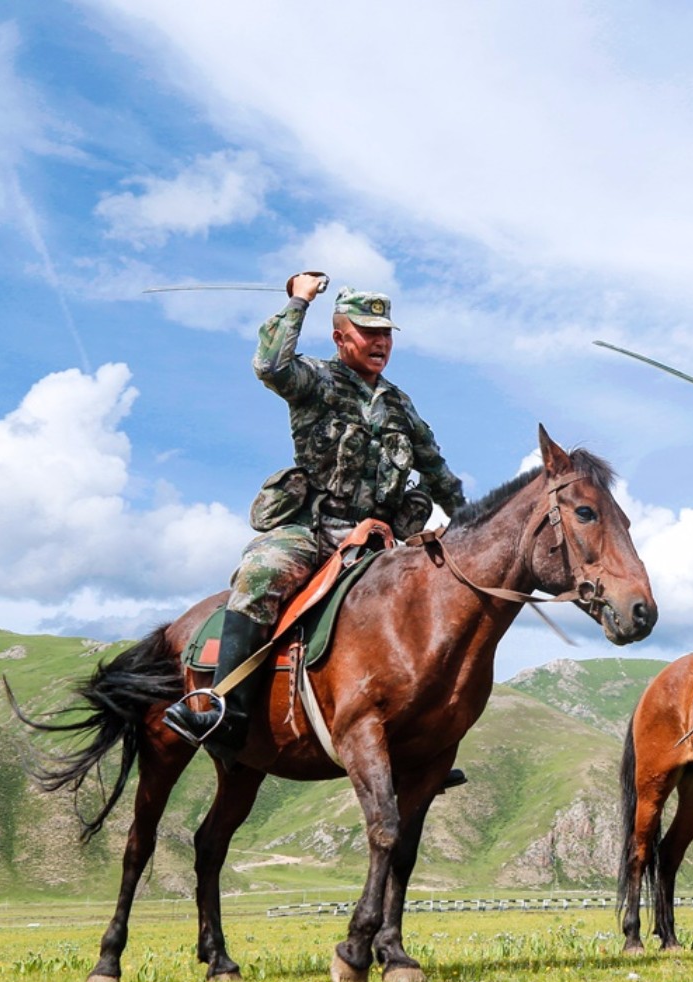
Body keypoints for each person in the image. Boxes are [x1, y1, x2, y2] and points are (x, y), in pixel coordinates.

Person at [165, 276, 467, 762]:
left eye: (386, 333)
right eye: (368, 332)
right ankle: (224, 707)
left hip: (381, 542)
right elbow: (269, 364)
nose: (380, 343)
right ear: (340, 337)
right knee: (261, 573)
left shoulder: (399, 405)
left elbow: (437, 472)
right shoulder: (315, 381)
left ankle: (421, 749)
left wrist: (470, 530)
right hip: (313, 530)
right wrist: (299, 300)